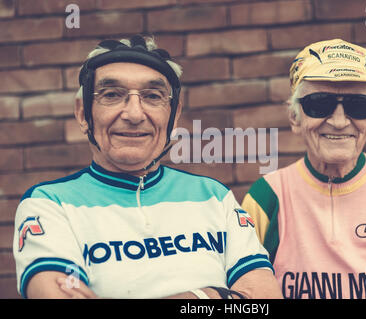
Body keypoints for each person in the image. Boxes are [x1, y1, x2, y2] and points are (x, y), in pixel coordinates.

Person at [13, 35, 282, 299]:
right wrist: (212, 295)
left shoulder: (215, 197)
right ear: (83, 113)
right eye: (112, 95)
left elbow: (264, 296)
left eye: (152, 96)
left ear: (174, 116)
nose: (134, 114)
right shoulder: (48, 204)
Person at [241, 39, 366, 299]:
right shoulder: (267, 197)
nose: (339, 122)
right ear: (295, 118)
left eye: (358, 106)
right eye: (319, 104)